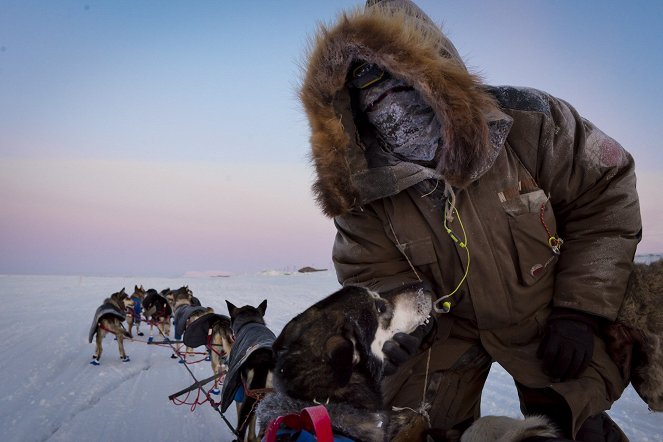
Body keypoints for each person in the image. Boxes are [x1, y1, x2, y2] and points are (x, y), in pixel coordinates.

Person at [299, 1, 641, 441]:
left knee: (576, 426)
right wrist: (398, 320)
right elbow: (371, 272)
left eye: (401, 85)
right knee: (409, 425)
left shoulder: (532, 121)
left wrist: (581, 308)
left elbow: (605, 195)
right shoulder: (361, 189)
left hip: (548, 312)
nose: (391, 109)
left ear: (435, 77)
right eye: (370, 95)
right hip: (441, 334)